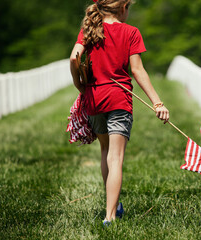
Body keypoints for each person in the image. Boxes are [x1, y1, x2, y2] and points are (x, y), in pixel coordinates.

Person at [69, 0, 169, 227]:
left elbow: (74, 58)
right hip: (118, 98)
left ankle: (113, 205)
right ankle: (110, 216)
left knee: (105, 152)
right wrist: (157, 102)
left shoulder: (90, 29)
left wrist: (80, 86)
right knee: (116, 158)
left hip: (94, 99)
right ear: (123, 7)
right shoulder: (131, 32)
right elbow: (137, 70)